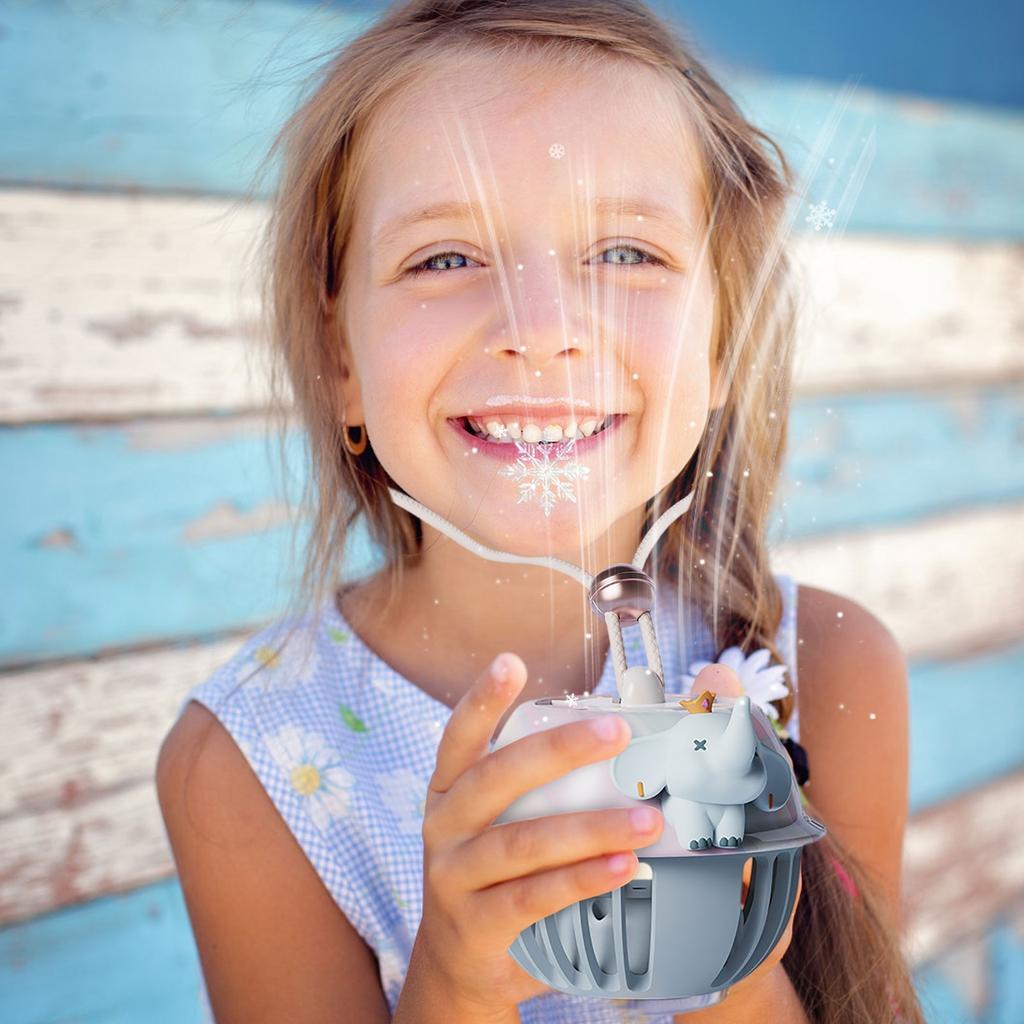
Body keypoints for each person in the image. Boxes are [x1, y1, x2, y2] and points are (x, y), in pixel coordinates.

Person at [156, 1, 924, 1021]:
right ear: (342, 358)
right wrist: (457, 983)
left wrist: (725, 954)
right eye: (443, 258)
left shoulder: (824, 668)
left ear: (723, 340)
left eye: (624, 254)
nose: (542, 331)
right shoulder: (247, 762)